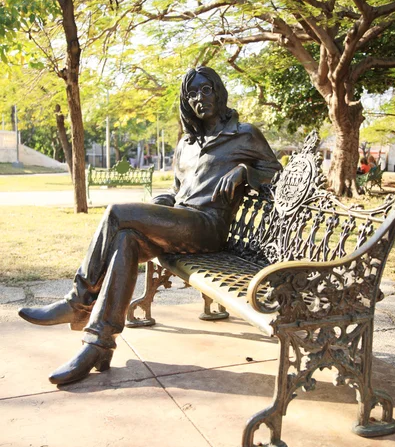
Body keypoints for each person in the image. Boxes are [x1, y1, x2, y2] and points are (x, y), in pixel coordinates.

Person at [19, 66, 282, 386]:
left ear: (218, 91)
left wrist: (245, 172)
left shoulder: (244, 133)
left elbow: (276, 172)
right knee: (126, 238)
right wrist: (161, 204)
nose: (201, 98)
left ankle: (77, 302)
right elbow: (175, 191)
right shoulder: (186, 144)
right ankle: (98, 344)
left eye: (206, 90)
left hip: (208, 227)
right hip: (180, 222)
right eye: (193, 94)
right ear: (187, 102)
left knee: (117, 212)